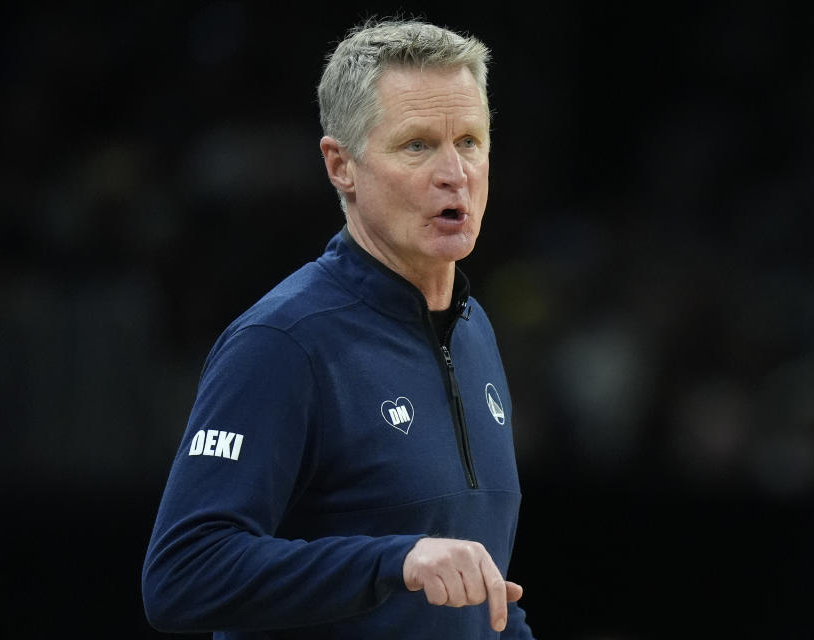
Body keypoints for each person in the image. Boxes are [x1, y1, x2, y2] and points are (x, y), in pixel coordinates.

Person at [142, 18, 534, 639]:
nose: (454, 172)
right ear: (341, 166)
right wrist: (393, 560)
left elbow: (475, 600)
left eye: (469, 141)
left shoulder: (472, 329)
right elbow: (183, 573)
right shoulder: (283, 343)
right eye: (417, 145)